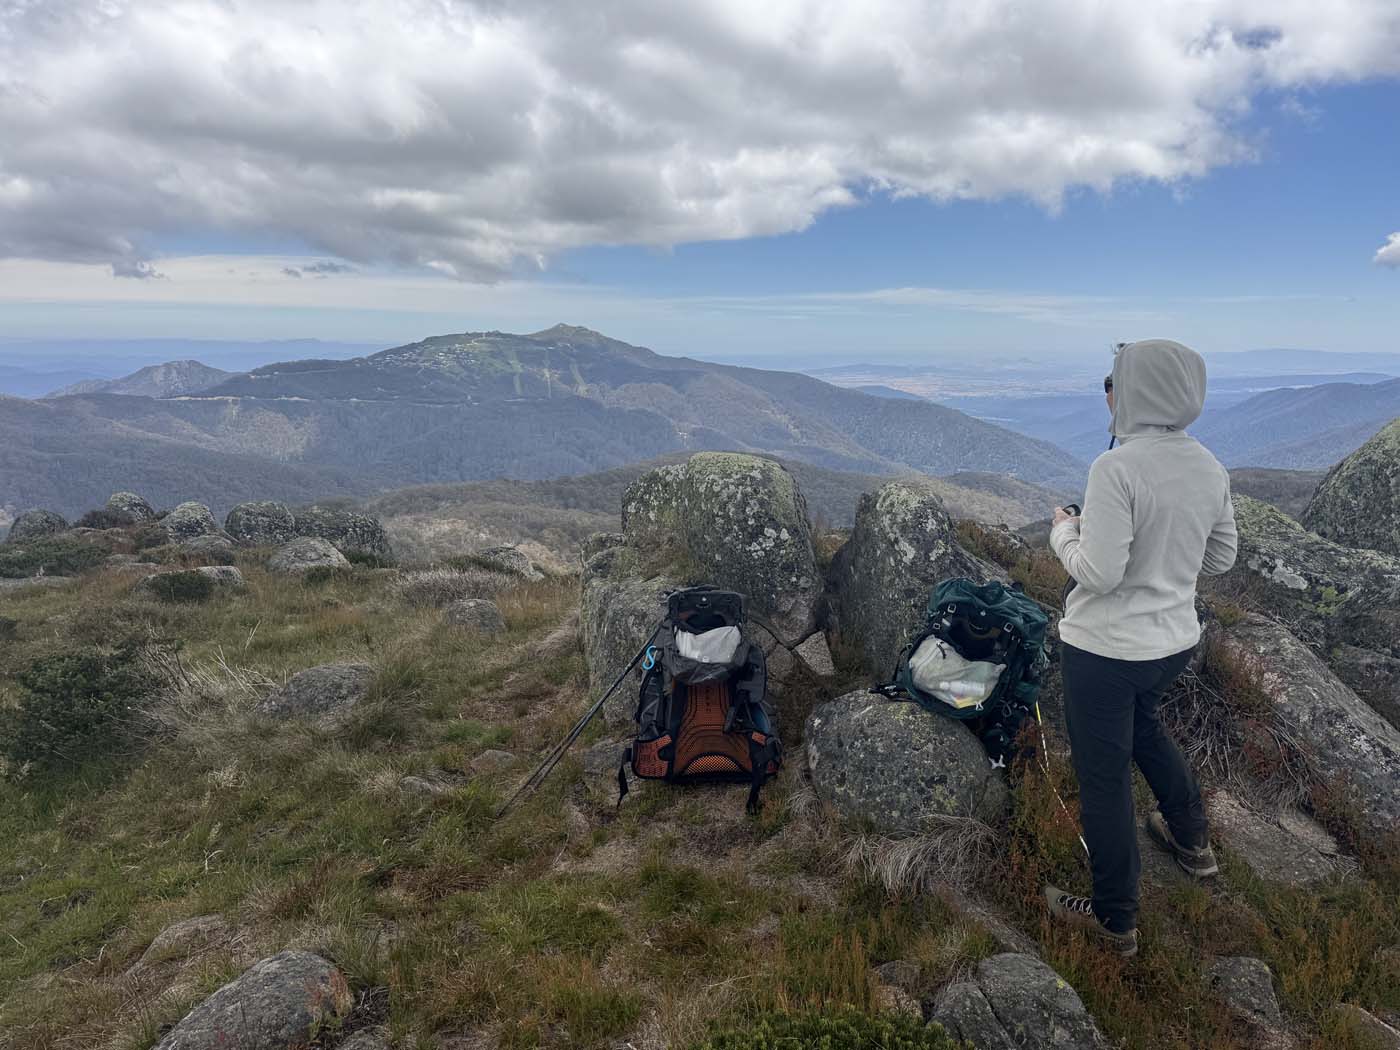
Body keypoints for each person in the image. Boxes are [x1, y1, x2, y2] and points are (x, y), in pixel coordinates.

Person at [1042, 338, 1238, 958]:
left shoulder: (1117, 468)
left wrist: (1063, 532)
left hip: (1105, 652)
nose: (1109, 391)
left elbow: (1097, 574)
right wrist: (1166, 561)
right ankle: (1191, 840)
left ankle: (1114, 919)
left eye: (1115, 380)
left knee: (1104, 781)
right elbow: (1221, 556)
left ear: (1136, 389)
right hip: (1172, 644)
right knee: (1147, 731)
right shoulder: (1207, 465)